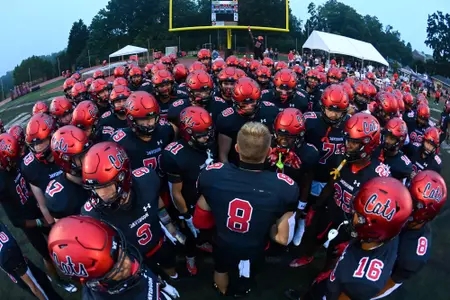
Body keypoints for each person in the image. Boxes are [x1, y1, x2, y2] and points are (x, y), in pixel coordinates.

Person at [194, 122, 299, 297]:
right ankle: (242, 291)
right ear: (268, 152)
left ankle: (222, 292)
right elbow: (282, 238)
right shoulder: (285, 187)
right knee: (246, 275)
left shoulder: (212, 176)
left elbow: (200, 220)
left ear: (236, 148)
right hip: (254, 246)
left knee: (220, 270)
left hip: (223, 241)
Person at [287, 177, 413, 300]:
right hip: (333, 280)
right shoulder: (385, 232)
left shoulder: (361, 283)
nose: (353, 215)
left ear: (371, 229)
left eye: (359, 215)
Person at [81, 142, 181, 279]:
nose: (101, 194)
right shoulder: (92, 214)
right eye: (95, 188)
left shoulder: (147, 180)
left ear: (123, 177)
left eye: (106, 185)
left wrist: (168, 223)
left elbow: (157, 202)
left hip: (159, 243)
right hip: (133, 259)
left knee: (170, 269)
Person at [48, 215, 180, 300]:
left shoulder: (115, 255)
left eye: (122, 251)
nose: (128, 262)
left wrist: (160, 285)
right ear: (95, 282)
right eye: (117, 269)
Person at [373, 171, 447, 299]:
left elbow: (390, 283)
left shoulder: (412, 255)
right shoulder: (406, 212)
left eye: (410, 199)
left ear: (423, 213)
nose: (404, 198)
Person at [216, 77, 279, 165]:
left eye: (252, 102)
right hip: (239, 166)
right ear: (235, 101)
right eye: (244, 103)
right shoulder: (226, 118)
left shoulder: (271, 111)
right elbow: (223, 154)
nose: (249, 106)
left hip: (266, 162)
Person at [0, 221, 61, 299]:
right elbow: (35, 288)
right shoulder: (8, 253)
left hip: (19, 264)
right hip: (21, 269)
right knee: (47, 292)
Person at [45, 125, 92, 220]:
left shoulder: (97, 172)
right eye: (81, 156)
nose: (89, 158)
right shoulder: (61, 198)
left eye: (88, 152)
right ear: (66, 161)